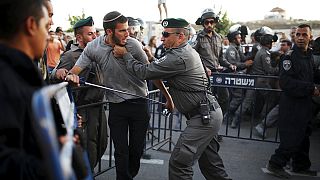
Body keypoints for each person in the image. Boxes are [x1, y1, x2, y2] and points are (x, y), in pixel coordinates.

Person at [113, 17, 231, 180]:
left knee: (180, 164)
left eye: (166, 34)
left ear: (180, 36)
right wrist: (151, 58)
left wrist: (125, 55)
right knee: (211, 166)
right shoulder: (179, 53)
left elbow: (144, 73)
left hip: (203, 118)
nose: (162, 38)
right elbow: (161, 67)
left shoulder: (179, 57)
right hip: (206, 115)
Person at [69, 11, 174, 180]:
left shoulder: (133, 45)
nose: (128, 33)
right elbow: (74, 71)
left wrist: (168, 97)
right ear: (109, 32)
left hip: (139, 104)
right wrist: (65, 74)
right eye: (123, 30)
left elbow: (151, 73)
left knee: (136, 150)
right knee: (120, 151)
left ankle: (128, 175)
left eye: (128, 29)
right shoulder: (93, 47)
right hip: (116, 106)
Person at [0, 0, 58, 178]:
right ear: (31, 25)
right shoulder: (6, 80)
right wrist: (55, 166)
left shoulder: (21, 71)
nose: (48, 36)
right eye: (45, 26)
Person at [50, 16, 108, 172]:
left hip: (98, 107)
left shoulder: (96, 52)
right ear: (79, 37)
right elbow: (58, 83)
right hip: (83, 108)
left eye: (95, 33)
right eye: (90, 34)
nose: (95, 36)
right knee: (89, 150)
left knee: (102, 144)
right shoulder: (71, 56)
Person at [267, 24, 319, 178]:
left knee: (304, 137)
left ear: (310, 37)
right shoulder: (288, 57)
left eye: (304, 35)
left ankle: (300, 166)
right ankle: (275, 164)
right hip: (292, 105)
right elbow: (285, 82)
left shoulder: (309, 55)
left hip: (305, 104)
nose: (301, 38)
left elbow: (312, 75)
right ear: (294, 37)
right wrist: (311, 88)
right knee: (291, 138)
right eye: (298, 35)